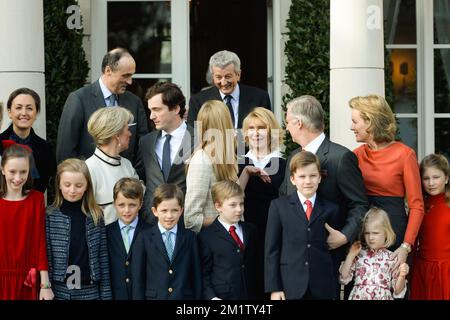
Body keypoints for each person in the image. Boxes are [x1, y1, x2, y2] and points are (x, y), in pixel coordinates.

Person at [279, 95, 368, 292]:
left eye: (287, 122)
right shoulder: (294, 157)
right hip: (293, 264)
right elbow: (284, 201)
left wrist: (345, 236)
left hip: (326, 260)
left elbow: (360, 204)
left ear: (299, 123)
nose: (286, 128)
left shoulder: (341, 157)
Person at [349, 94, 424, 266]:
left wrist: (406, 246)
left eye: (355, 121)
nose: (351, 127)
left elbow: (417, 206)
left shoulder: (404, 154)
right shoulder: (355, 155)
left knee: (393, 291)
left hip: (395, 237)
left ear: (370, 122)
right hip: (363, 234)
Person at [266, 151, 340, 300]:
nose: (308, 181)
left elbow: (334, 252)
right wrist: (274, 288)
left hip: (322, 286)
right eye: (302, 176)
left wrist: (334, 288)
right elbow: (271, 250)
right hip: (290, 285)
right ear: (292, 179)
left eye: (313, 176)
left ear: (319, 178)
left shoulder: (331, 208)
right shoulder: (278, 206)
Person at [56, 48, 149, 164]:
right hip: (89, 178)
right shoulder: (78, 99)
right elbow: (66, 150)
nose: (130, 81)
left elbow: (143, 145)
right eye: (125, 76)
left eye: (131, 76)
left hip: (128, 177)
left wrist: (134, 177)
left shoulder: (134, 101)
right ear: (108, 70)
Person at [46, 158, 112, 300]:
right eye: (67, 184)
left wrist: (106, 294)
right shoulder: (50, 216)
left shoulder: (96, 215)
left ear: (87, 185)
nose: (72, 190)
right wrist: (47, 286)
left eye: (78, 185)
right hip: (60, 291)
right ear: (59, 185)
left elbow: (103, 256)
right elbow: (47, 256)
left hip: (90, 291)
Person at [238, 107, 285, 298]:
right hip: (243, 232)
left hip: (273, 235)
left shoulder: (284, 163)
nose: (256, 133)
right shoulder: (237, 162)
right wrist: (247, 172)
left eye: (261, 127)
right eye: (251, 128)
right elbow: (233, 196)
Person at [135, 82, 195, 222]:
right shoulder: (146, 142)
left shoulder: (199, 139)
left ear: (175, 109)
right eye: (150, 110)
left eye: (157, 109)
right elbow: (140, 176)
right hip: (151, 221)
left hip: (186, 220)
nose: (151, 116)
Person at [0, 144, 53, 300]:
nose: (18, 178)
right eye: (12, 172)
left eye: (23, 172)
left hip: (28, 280)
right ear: (2, 169)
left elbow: (40, 243)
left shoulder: (36, 200)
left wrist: (45, 285)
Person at [132, 184, 202, 300]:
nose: (169, 216)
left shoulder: (190, 237)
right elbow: (138, 279)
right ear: (155, 211)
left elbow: (196, 276)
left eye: (174, 210)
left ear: (181, 211)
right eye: (164, 210)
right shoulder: (144, 238)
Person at [184, 100, 238, 233]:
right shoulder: (201, 160)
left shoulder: (225, 156)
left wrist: (247, 173)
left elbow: (232, 195)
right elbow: (191, 219)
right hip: (212, 245)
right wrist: (224, 220)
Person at [198, 180, 258, 300]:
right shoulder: (206, 236)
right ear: (218, 206)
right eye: (233, 205)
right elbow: (203, 273)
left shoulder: (251, 230)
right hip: (223, 296)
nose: (239, 209)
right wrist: (212, 297)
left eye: (241, 204)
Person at [187, 50, 271, 129]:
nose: (223, 82)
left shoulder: (260, 98)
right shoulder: (198, 101)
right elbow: (193, 137)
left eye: (228, 76)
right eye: (218, 77)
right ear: (212, 77)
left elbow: (269, 131)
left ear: (238, 75)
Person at [85, 106, 140, 225]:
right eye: (127, 129)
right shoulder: (89, 169)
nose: (130, 134)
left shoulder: (126, 164)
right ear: (117, 135)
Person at [339, 208, 409, 300]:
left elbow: (398, 292)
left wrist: (402, 276)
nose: (370, 237)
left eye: (375, 233)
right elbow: (343, 279)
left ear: (386, 233)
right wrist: (350, 256)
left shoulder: (392, 257)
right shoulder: (359, 254)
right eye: (367, 233)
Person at [0, 88, 56, 193]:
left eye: (29, 108)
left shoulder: (46, 148)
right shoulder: (0, 143)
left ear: (36, 113)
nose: (24, 113)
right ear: (9, 112)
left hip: (34, 206)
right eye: (18, 108)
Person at [410, 154, 450, 300]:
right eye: (426, 178)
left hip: (446, 271)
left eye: (436, 177)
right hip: (422, 271)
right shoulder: (418, 208)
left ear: (446, 178)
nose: (431, 183)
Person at [107, 177, 149, 300]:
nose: (126, 210)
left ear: (140, 204)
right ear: (114, 204)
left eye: (132, 205)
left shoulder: (151, 232)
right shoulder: (106, 233)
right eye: (121, 205)